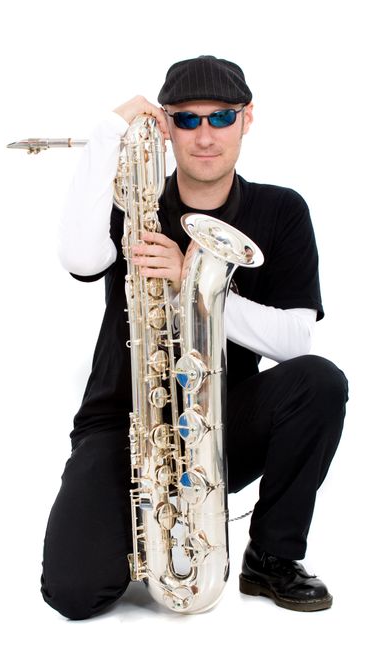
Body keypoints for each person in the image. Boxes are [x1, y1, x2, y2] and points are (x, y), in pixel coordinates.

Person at [40, 56, 348, 619]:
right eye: (186, 120)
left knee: (320, 382)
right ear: (166, 125)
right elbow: (78, 259)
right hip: (124, 422)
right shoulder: (138, 206)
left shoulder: (282, 211)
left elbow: (295, 342)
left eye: (221, 117)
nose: (205, 135)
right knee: (75, 593)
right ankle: (135, 535)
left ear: (246, 119)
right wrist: (110, 131)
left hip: (219, 422)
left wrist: (193, 283)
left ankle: (272, 558)